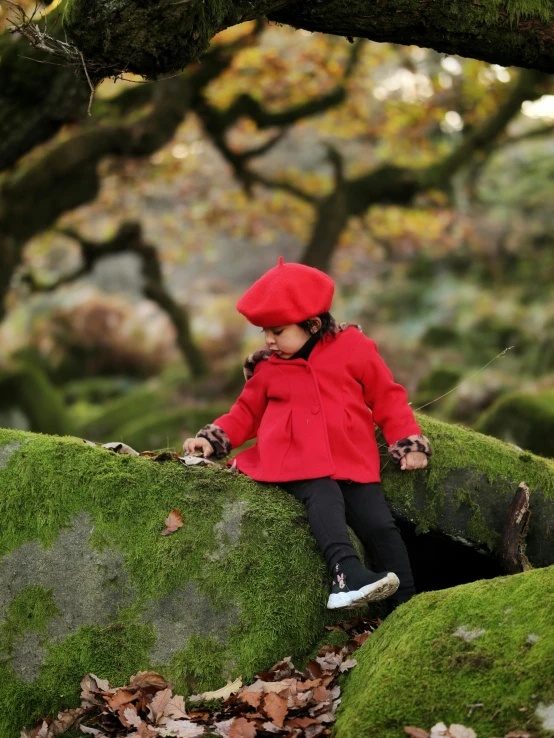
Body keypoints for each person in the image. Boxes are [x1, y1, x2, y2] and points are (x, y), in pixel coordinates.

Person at [183, 257, 432, 611]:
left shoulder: (354, 349)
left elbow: (387, 397)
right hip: (291, 461)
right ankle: (344, 576)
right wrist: (212, 438)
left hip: (350, 459)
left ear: (312, 324)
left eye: (278, 331)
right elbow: (245, 413)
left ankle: (407, 604)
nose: (268, 339)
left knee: (380, 524)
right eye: (264, 331)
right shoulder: (269, 369)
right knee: (324, 496)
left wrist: (408, 442)